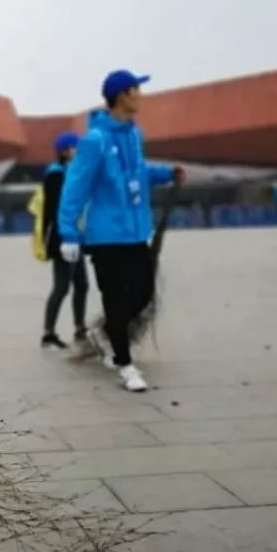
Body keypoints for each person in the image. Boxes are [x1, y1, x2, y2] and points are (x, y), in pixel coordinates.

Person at [57, 70, 183, 393]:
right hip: (106, 238)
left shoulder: (133, 135)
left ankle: (104, 334)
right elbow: (75, 187)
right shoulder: (94, 141)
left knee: (142, 294)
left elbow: (137, 174)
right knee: (115, 298)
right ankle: (125, 366)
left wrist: (166, 174)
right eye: (135, 90)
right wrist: (68, 232)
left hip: (136, 232)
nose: (140, 95)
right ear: (121, 95)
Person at [40, 131, 91, 356]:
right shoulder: (56, 175)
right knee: (62, 287)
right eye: (75, 147)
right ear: (65, 151)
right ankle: (48, 334)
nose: (78, 151)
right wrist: (64, 239)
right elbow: (55, 211)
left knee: (81, 285)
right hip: (63, 240)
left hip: (74, 238)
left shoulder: (70, 173)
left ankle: (80, 329)